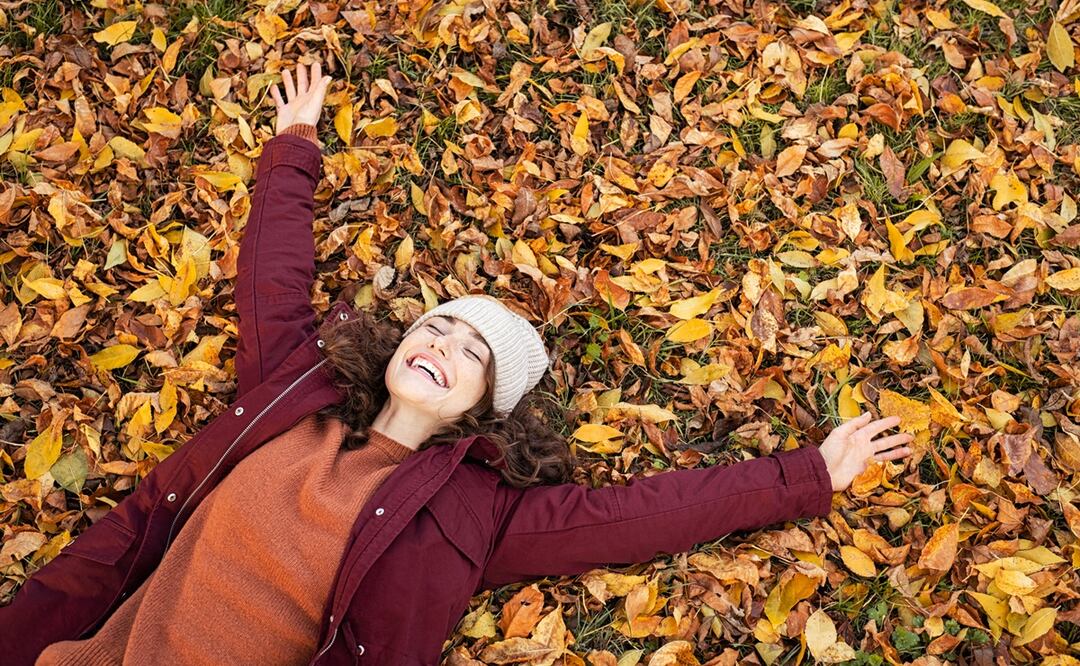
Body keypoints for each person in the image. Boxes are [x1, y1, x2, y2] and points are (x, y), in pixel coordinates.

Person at [6, 61, 914, 665]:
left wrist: (809, 475)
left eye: (474, 352)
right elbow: (273, 279)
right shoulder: (295, 389)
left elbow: (640, 515)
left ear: (486, 406)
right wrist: (294, 149)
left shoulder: (473, 517)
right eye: (439, 327)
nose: (443, 345)